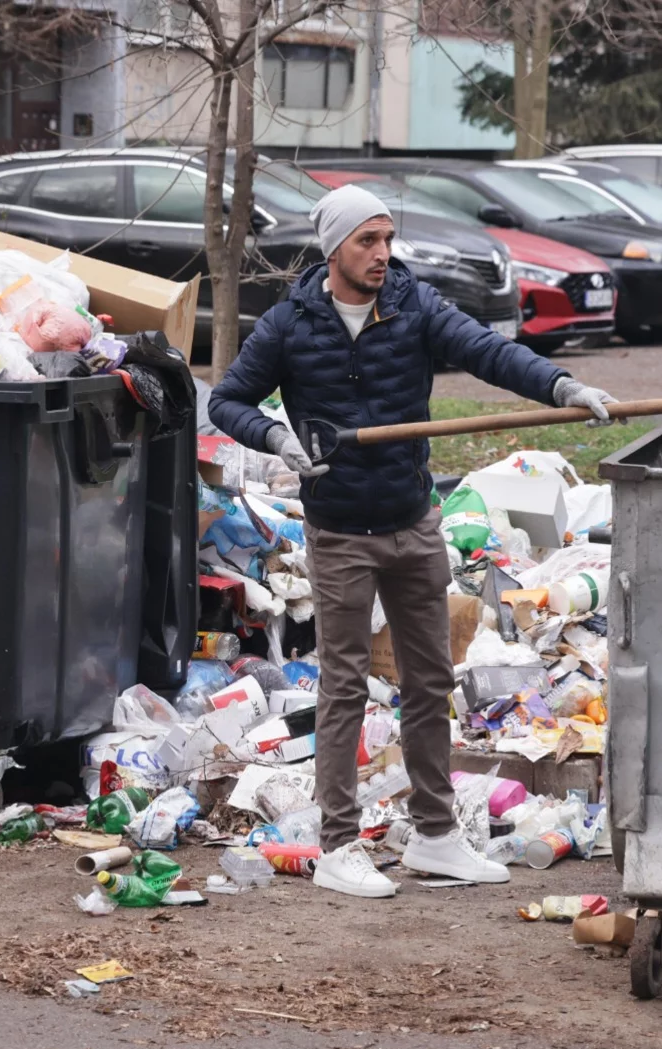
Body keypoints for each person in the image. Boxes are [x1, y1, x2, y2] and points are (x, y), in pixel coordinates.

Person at [208, 186, 616, 898]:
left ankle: (434, 836)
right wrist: (277, 436)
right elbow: (227, 400)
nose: (382, 254)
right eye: (367, 241)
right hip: (338, 532)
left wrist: (559, 385)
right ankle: (338, 845)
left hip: (412, 522)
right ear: (334, 247)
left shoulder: (413, 305)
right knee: (342, 686)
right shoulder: (289, 324)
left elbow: (489, 353)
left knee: (429, 681)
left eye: (387, 238)